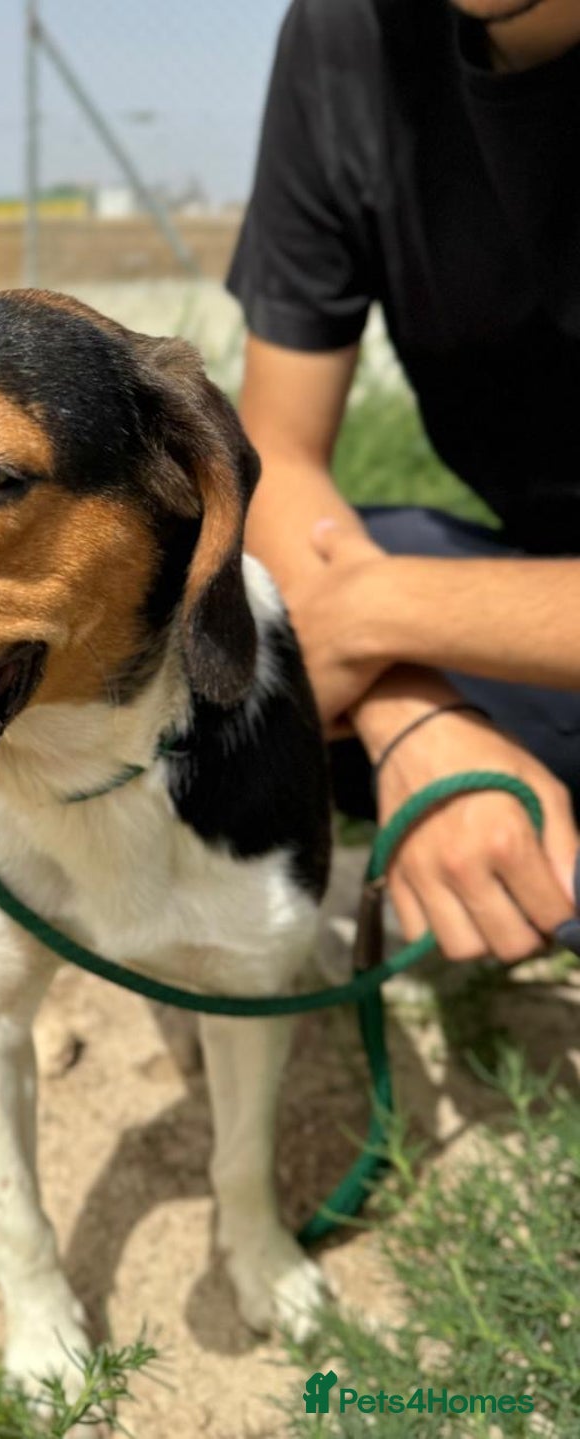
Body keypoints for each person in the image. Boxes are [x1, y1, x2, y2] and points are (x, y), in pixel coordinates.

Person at [228, 0, 580, 963]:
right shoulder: (349, 41)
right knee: (216, 607)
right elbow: (278, 455)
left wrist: (386, 612)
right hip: (519, 598)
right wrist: (416, 709)